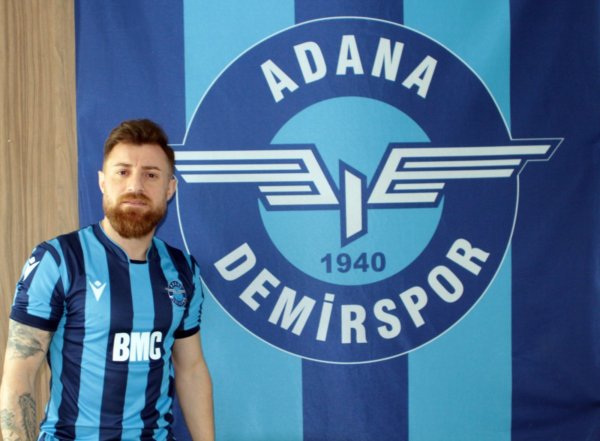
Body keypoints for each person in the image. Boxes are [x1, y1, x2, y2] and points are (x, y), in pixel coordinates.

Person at [0, 119, 215, 440]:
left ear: (170, 188)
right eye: (122, 172)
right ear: (103, 181)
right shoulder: (58, 260)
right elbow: (20, 372)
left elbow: (191, 369)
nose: (135, 186)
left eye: (151, 175)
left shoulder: (182, 269)